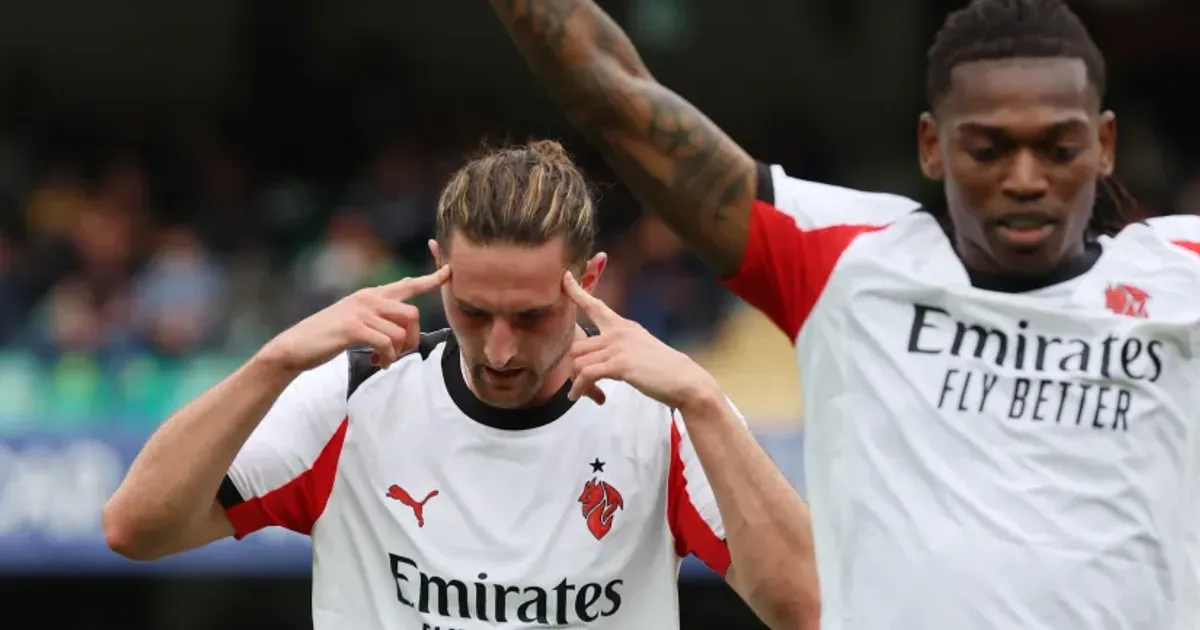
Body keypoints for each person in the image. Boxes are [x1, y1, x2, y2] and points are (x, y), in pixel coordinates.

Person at [488, 0, 1200, 628]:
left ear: (1104, 145)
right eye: (987, 148)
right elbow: (614, 96)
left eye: (1059, 148)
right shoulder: (845, 259)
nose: (1024, 178)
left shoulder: (1182, 272)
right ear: (932, 145)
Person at [102, 140, 818, 630]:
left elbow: (810, 608)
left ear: (590, 279)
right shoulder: (354, 393)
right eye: (473, 311)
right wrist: (275, 361)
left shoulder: (665, 414)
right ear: (438, 264)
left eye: (531, 316)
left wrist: (704, 403)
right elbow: (135, 529)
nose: (499, 350)